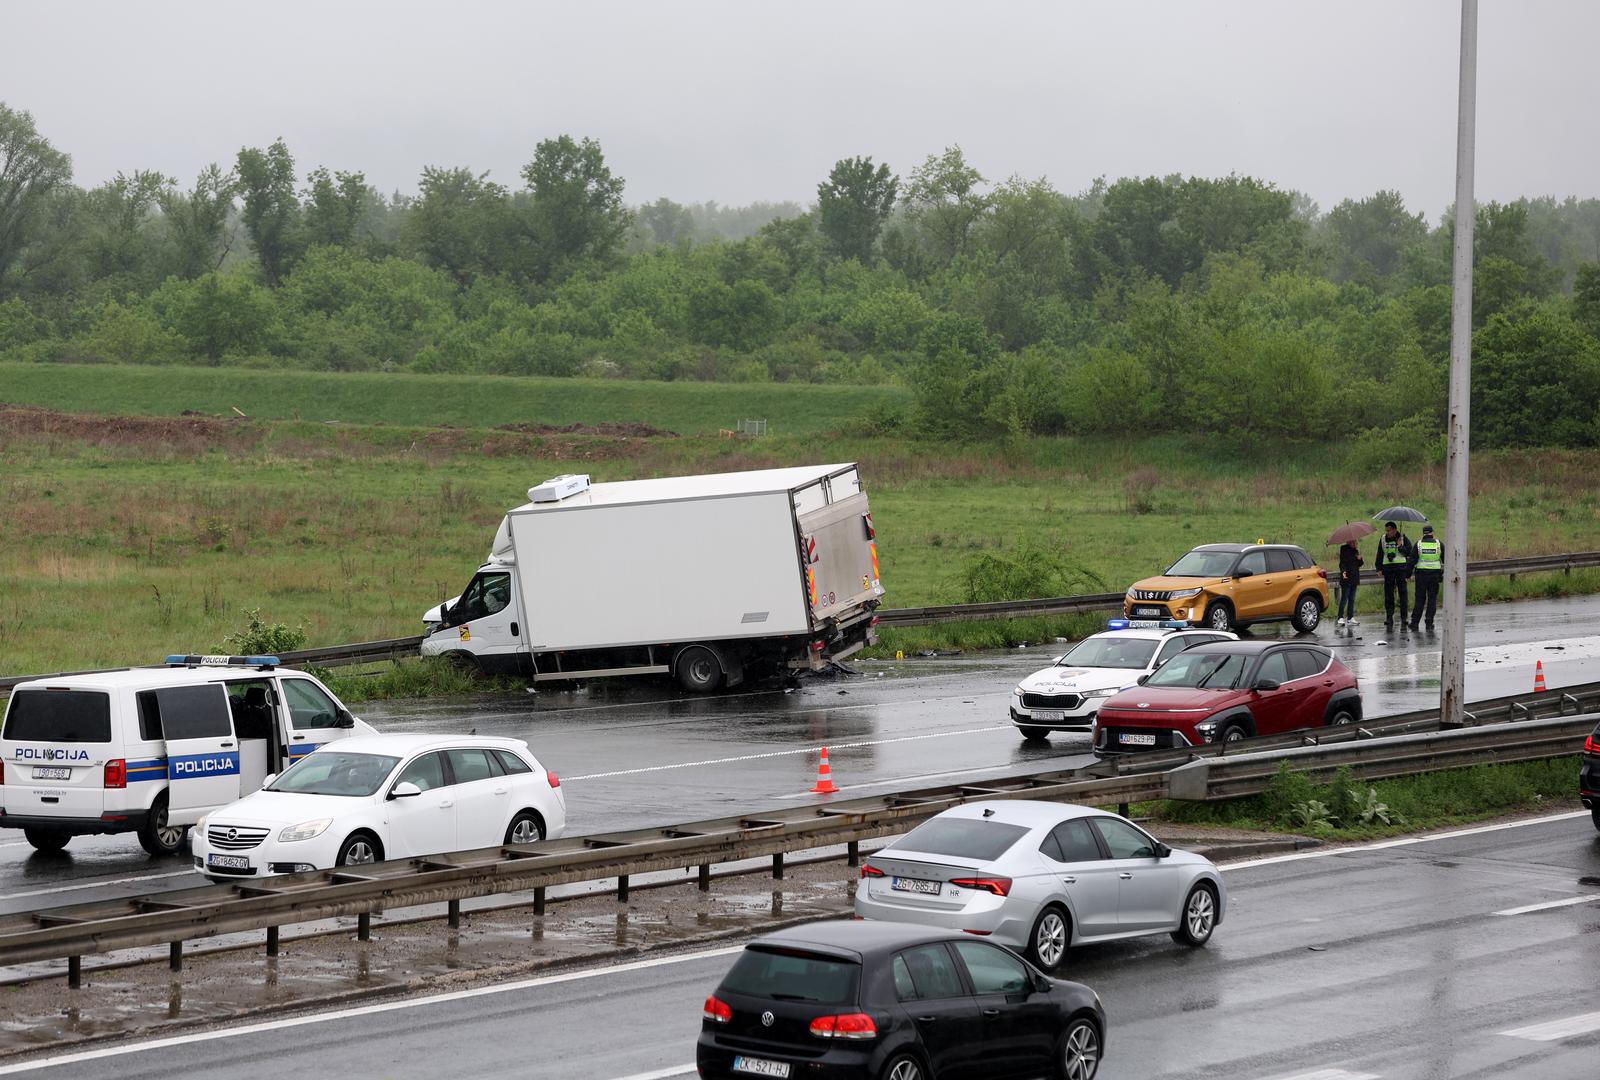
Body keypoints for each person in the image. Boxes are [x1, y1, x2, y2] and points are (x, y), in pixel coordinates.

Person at [1375, 521, 1416, 630]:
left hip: (1401, 568)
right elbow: (1379, 553)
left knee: (1403, 593)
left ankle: (1404, 618)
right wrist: (1378, 568)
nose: (1387, 533)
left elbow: (1409, 552)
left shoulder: (1402, 538)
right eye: (1386, 530)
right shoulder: (1383, 539)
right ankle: (1389, 617)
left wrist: (1400, 546)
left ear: (1394, 529)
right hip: (1388, 568)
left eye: (1389, 530)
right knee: (1388, 594)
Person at [1410, 524, 1443, 631]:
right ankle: (1429, 623)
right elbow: (1447, 558)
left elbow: (1412, 561)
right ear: (1432, 533)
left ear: (1423, 533)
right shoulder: (1439, 544)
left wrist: (1407, 574)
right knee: (1432, 599)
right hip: (1435, 575)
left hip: (1421, 576)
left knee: (1419, 599)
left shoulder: (1418, 544)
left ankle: (1415, 623)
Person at [1336, 539, 1363, 627]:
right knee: (1345, 598)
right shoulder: (1344, 550)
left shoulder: (1356, 551)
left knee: (1352, 599)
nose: (1356, 543)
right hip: (1347, 578)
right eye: (1354, 542)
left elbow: (1359, 564)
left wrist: (1360, 559)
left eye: (1356, 542)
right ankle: (1340, 617)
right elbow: (1342, 563)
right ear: (1349, 542)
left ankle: (1350, 618)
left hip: (1354, 578)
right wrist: (1343, 572)